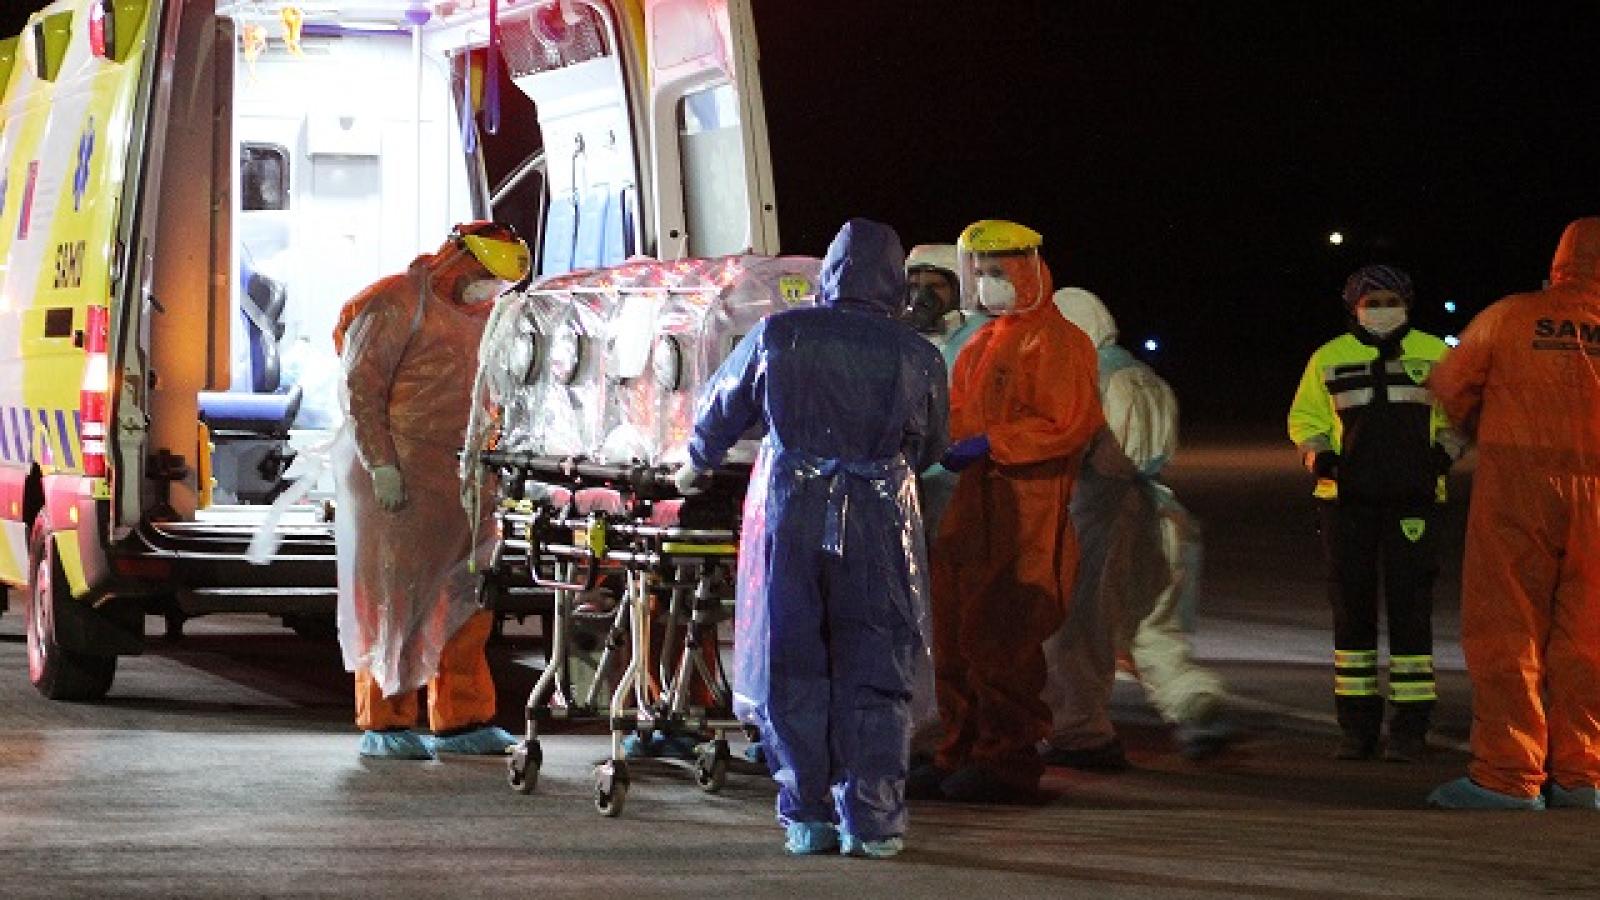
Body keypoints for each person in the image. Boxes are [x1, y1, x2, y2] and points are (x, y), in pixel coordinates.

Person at [675, 218, 947, 858]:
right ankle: (873, 819)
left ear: (828, 272)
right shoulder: (917, 354)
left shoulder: (779, 333)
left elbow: (721, 407)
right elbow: (930, 445)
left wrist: (695, 464)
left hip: (789, 516)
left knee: (791, 660)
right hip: (879, 523)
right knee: (875, 664)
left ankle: (807, 812)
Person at [916, 220, 1104, 802]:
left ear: (1028, 269)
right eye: (980, 271)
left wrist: (994, 443)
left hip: (1028, 506)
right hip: (974, 502)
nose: (987, 282)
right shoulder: (983, 342)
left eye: (998, 270)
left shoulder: (1058, 341)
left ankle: (1006, 761)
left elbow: (1069, 424)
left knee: (1004, 638)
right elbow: (955, 415)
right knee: (955, 633)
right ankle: (959, 749)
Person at [333, 221, 531, 760]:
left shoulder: (491, 317)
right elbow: (361, 389)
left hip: (466, 480)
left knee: (466, 600)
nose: (488, 288)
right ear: (457, 260)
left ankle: (463, 718)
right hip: (399, 477)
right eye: (483, 275)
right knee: (394, 601)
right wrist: (382, 465)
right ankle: (386, 719)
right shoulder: (395, 304)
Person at [1426, 218, 1600, 811]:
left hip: (1519, 488)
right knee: (1589, 638)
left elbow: (1450, 385)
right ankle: (1584, 776)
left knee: (1507, 627)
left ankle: (1507, 775)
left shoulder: (1510, 316)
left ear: (1560, 261)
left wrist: (1474, 425)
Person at [1040, 287, 1232, 769]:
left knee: (1079, 632)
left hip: (1104, 516)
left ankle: (1076, 729)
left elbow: (1094, 459)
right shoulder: (1142, 375)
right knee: (1154, 632)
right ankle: (1196, 705)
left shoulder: (1089, 376)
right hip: (1160, 513)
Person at [1287, 265, 1464, 763]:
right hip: (1345, 503)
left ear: (1407, 303)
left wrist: (1444, 453)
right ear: (1354, 307)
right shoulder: (1328, 357)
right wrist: (1319, 457)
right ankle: (1357, 726)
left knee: (1412, 611)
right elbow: (1305, 418)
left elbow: (1462, 413)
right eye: (1373, 302)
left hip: (1415, 499)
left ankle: (1410, 726)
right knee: (1351, 611)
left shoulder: (1437, 353)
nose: (1383, 310)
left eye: (1391, 301)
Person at [901, 244, 993, 761]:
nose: (922, 296)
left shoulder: (977, 339)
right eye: (914, 285)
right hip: (910, 489)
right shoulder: (902, 340)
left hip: (957, 490)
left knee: (961, 621)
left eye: (934, 285)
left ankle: (965, 733)